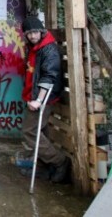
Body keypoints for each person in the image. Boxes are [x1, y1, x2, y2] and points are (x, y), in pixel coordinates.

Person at [20, 15, 71, 183]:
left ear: (41, 31)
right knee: (41, 132)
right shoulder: (34, 47)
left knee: (30, 132)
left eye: (35, 32)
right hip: (33, 96)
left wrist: (39, 100)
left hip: (42, 98)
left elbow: (49, 76)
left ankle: (59, 161)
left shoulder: (48, 49)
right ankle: (43, 166)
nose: (32, 36)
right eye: (29, 33)